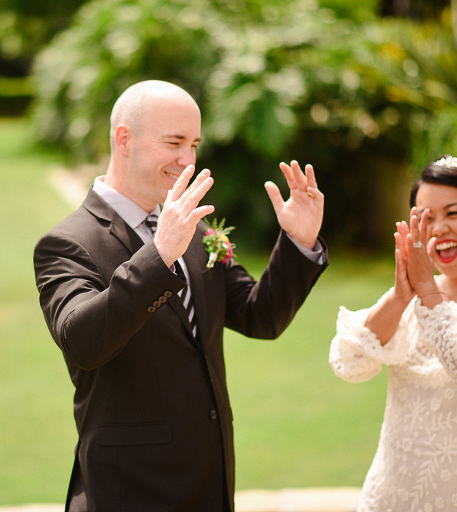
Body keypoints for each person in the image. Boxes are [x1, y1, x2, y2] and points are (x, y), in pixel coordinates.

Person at [34, 79, 328, 512]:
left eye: (194, 144)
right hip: (128, 493)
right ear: (123, 139)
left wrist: (298, 244)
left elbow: (259, 317)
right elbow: (83, 342)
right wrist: (159, 255)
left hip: (210, 485)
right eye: (174, 142)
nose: (187, 160)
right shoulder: (67, 244)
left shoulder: (196, 229)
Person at [330, 156, 457, 510]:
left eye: (453, 214)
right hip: (392, 495)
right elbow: (349, 363)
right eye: (425, 218)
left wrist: (427, 292)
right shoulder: (413, 296)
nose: (437, 229)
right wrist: (401, 295)